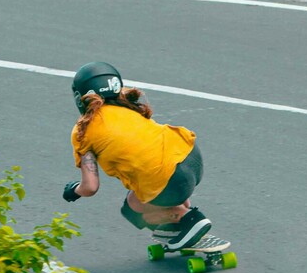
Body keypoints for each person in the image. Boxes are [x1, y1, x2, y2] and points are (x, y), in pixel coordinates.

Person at [61, 62, 212, 249]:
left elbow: (90, 187)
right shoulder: (128, 106)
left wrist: (74, 191)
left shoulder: (83, 131)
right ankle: (184, 217)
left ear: (79, 97)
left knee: (133, 210)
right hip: (190, 157)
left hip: (168, 180)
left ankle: (186, 219)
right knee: (155, 181)